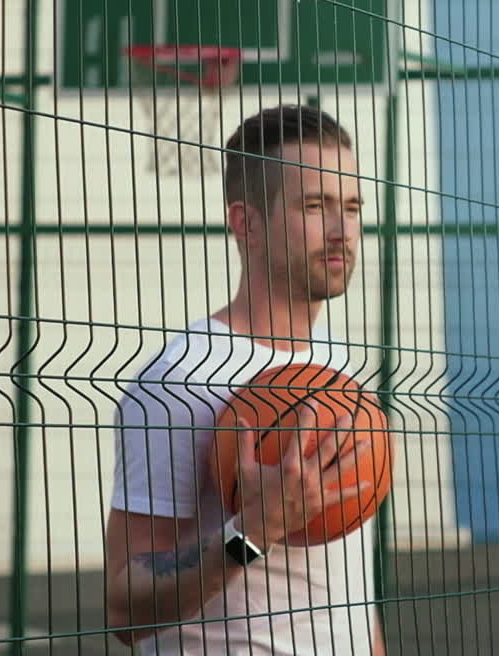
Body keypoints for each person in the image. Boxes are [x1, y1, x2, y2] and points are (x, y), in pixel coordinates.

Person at [104, 104, 385, 655]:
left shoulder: (340, 366)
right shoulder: (181, 379)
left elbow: (350, 586)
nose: (342, 232)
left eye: (352, 207)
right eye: (315, 206)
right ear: (246, 223)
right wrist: (251, 534)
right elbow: (123, 609)